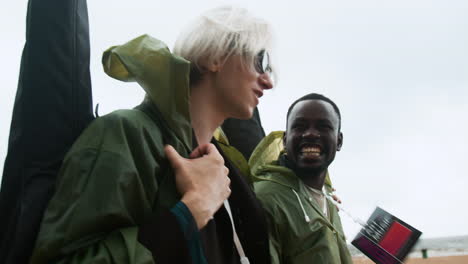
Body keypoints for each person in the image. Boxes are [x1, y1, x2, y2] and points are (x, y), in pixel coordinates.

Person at [29, 5, 275, 264]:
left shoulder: (227, 172)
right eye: (261, 61)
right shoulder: (126, 135)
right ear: (215, 57)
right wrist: (188, 214)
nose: (268, 81)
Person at [250, 93, 353, 264]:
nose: (311, 134)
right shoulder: (267, 200)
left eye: (323, 126)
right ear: (284, 140)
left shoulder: (328, 199)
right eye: (300, 126)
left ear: (339, 141)